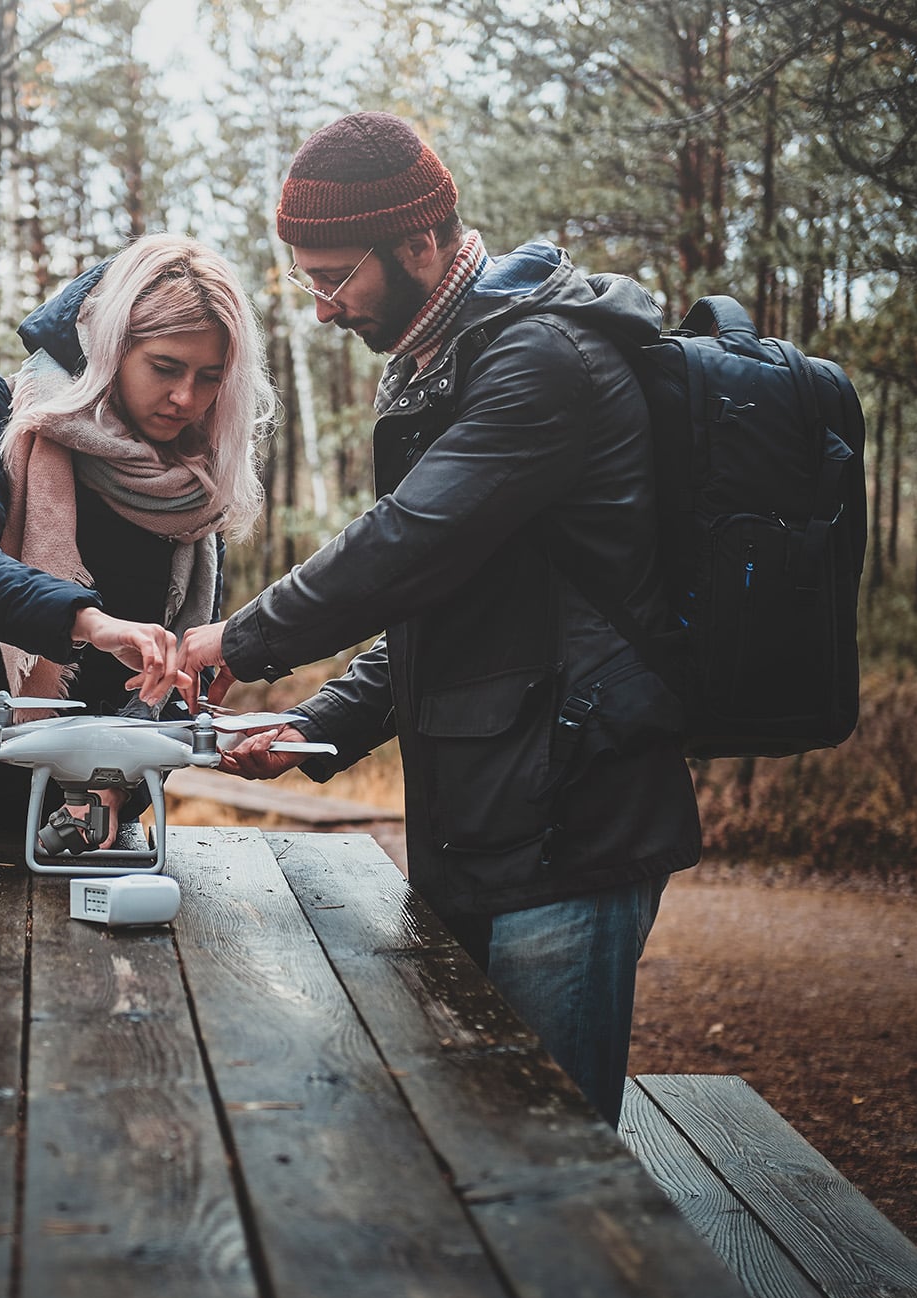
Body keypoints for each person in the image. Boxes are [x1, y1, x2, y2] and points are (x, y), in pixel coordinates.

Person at [180, 112, 700, 1127]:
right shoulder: (438, 362)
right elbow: (443, 604)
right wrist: (313, 726)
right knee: (464, 1149)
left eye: (335, 276)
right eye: (307, 280)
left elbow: (406, 540)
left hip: (570, 825)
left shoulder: (541, 362)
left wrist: (237, 639)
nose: (324, 307)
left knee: (549, 1162)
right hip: (478, 819)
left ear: (416, 243)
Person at [0, 233, 275, 842]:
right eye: (165, 368)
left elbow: (174, 671)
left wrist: (108, 792)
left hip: (78, 815)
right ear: (110, 348)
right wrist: (93, 623)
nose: (186, 399)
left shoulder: (193, 485)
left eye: (209, 377)